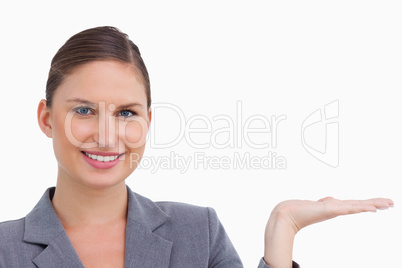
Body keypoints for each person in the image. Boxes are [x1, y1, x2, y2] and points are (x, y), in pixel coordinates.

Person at [0, 26, 393, 268]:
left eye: (126, 113)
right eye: (84, 110)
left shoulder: (198, 232)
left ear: (148, 123)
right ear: (47, 118)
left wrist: (281, 231)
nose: (107, 136)